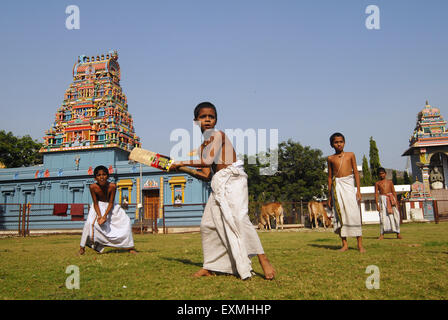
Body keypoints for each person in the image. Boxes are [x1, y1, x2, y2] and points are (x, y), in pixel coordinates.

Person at [170, 102, 275, 280]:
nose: (208, 120)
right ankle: (212, 266)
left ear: (216, 120)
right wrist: (181, 169)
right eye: (203, 117)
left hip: (234, 179)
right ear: (196, 121)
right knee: (208, 224)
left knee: (240, 219)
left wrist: (181, 162)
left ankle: (263, 260)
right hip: (219, 183)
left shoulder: (219, 135)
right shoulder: (202, 147)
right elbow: (205, 174)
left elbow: (208, 160)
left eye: (211, 116)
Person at [79, 165, 137, 255]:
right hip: (97, 207)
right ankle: (82, 248)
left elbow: (111, 203)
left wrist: (105, 216)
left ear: (108, 176)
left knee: (127, 221)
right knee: (89, 223)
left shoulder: (112, 186)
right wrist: (99, 216)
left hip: (111, 207)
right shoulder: (92, 187)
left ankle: (130, 247)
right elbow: (95, 203)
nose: (101, 177)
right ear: (95, 178)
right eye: (98, 175)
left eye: (104, 174)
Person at [327, 132, 365, 253]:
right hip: (337, 186)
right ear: (332, 144)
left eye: (341, 142)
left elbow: (356, 173)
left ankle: (360, 244)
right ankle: (344, 244)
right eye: (336, 142)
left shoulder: (350, 155)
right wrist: (329, 196)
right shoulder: (330, 158)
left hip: (349, 185)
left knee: (353, 213)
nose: (339, 144)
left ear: (344, 142)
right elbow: (329, 177)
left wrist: (358, 190)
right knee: (340, 214)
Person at [375, 167, 402, 240]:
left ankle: (398, 233)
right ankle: (382, 234)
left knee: (395, 217)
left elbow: (394, 192)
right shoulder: (377, 183)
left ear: (385, 174)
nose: (381, 175)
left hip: (391, 200)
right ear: (378, 175)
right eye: (380, 174)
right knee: (383, 217)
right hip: (382, 200)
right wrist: (377, 204)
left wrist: (395, 202)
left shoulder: (390, 182)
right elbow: (376, 194)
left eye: (382, 173)